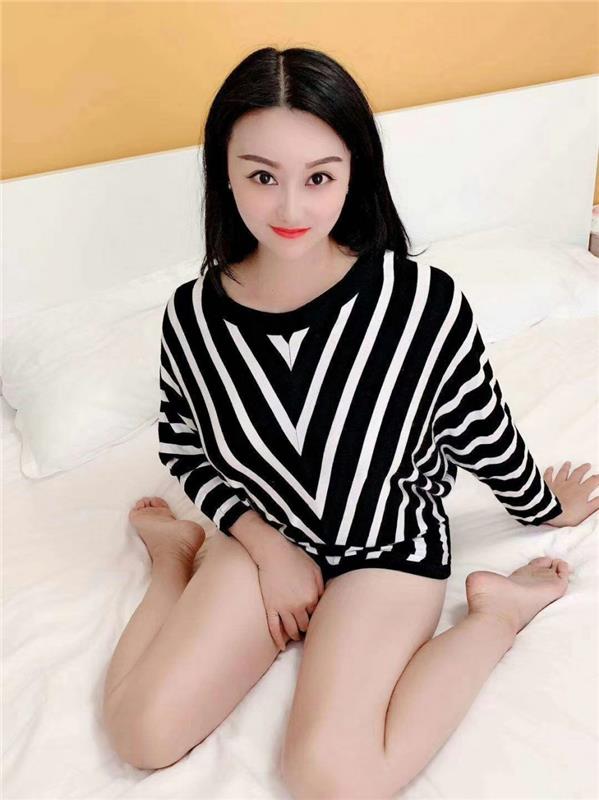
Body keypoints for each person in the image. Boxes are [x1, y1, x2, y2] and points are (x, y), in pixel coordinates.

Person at [102, 46, 599, 793]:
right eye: (262, 176)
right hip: (263, 538)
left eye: (319, 177)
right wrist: (266, 547)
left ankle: (499, 614)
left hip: (387, 547)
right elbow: (184, 446)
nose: (290, 209)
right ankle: (174, 555)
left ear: (353, 172)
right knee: (140, 734)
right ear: (224, 172)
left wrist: (539, 506)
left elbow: (477, 425)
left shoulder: (419, 302)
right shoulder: (193, 317)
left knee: (331, 778)